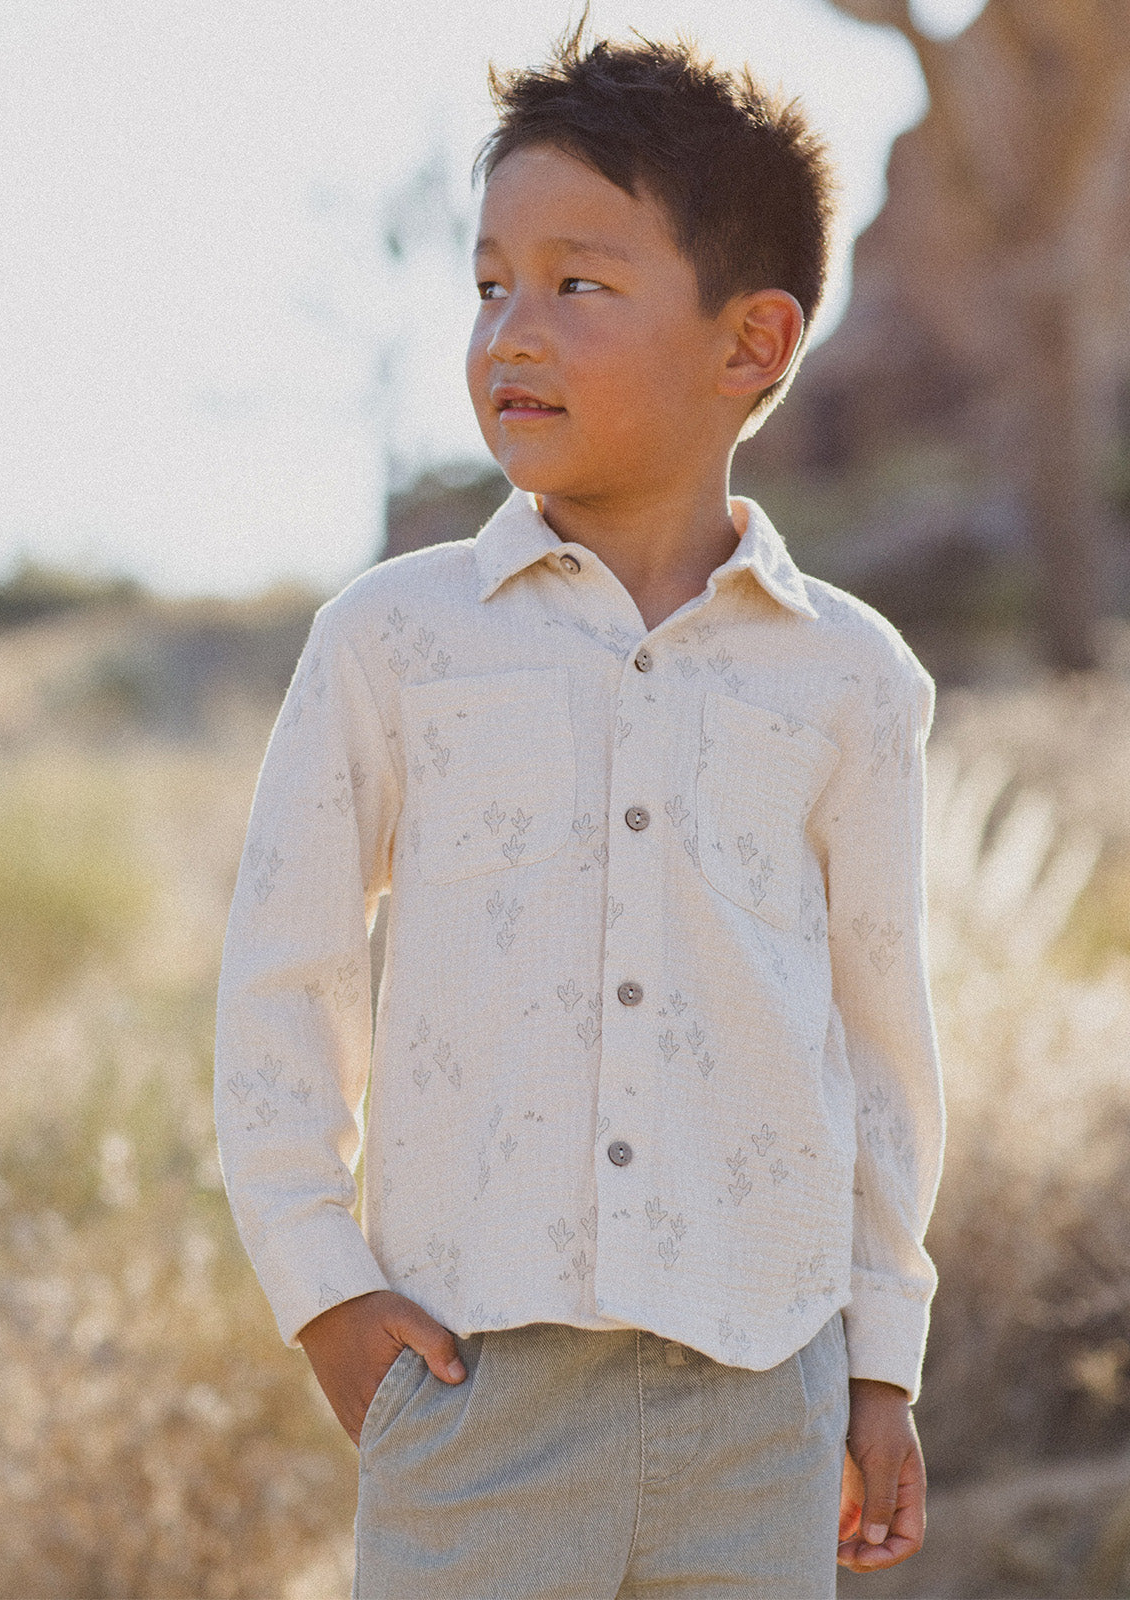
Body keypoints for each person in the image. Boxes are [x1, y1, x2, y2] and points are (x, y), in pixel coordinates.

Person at [215, 17, 945, 1598]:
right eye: (489, 285)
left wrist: (880, 1364)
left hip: (764, 1401)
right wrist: (324, 1288)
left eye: (578, 283)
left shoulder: (852, 682)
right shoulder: (395, 639)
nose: (512, 331)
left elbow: (882, 1044)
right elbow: (283, 977)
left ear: (753, 343)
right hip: (476, 1398)